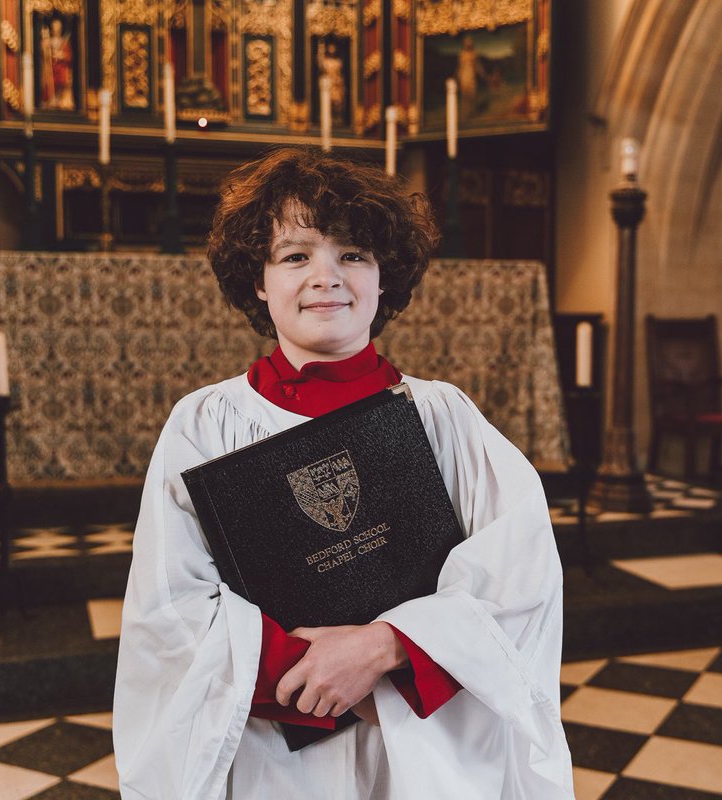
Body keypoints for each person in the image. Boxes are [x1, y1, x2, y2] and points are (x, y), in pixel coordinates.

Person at [113, 147, 573, 799]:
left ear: (385, 278)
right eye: (294, 256)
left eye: (353, 254)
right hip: (273, 748)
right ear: (257, 281)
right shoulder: (205, 424)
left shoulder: (445, 417)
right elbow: (171, 606)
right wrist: (317, 673)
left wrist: (384, 650)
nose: (325, 276)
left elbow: (519, 577)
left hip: (420, 741)